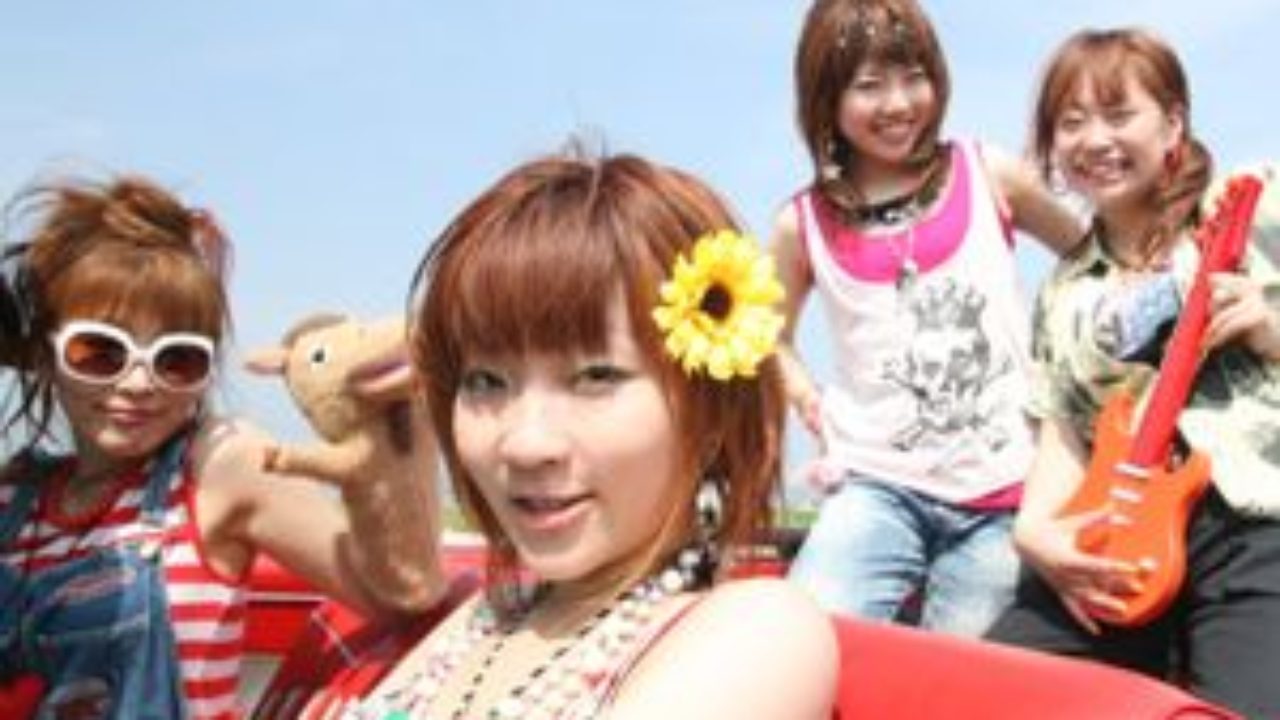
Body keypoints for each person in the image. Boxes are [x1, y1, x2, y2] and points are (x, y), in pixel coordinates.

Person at [348, 147, 839, 720]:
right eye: (485, 381)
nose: (526, 444)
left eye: (596, 377)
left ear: (711, 411)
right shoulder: (480, 619)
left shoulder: (760, 635)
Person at [0, 175, 445, 719]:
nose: (139, 384)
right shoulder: (15, 500)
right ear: (45, 356)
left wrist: (390, 425)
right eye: (100, 352)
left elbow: (401, 593)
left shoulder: (217, 467)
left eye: (177, 359)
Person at [983, 27, 1280, 718]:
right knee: (986, 693)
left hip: (1252, 528)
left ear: (1173, 123)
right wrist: (1037, 534)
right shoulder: (1063, 289)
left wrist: (1271, 330)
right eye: (1071, 123)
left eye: (1119, 115)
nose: (1095, 140)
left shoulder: (1253, 207)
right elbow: (1063, 429)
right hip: (1116, 543)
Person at [773, 0, 1085, 637]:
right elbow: (761, 333)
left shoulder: (989, 172)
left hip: (1006, 495)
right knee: (804, 638)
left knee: (962, 677)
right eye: (869, 85)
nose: (898, 103)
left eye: (914, 77)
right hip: (875, 487)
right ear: (825, 98)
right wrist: (806, 396)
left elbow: (1091, 259)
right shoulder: (801, 223)